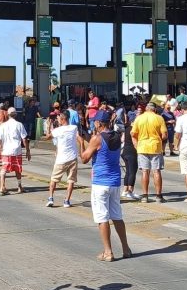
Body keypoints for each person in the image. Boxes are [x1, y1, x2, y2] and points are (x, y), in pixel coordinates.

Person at [79, 110, 132, 263]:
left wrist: (82, 142)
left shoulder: (96, 139)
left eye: (94, 121)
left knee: (102, 217)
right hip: (115, 182)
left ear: (98, 123)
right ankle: (126, 248)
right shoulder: (116, 136)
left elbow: (84, 159)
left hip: (100, 182)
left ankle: (108, 252)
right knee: (117, 216)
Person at [131, 102, 167, 203]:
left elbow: (133, 133)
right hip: (155, 146)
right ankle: (159, 196)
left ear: (146, 109)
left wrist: (136, 144)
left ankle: (145, 196)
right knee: (156, 171)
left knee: (145, 171)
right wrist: (160, 140)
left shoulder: (139, 118)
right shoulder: (159, 118)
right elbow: (164, 135)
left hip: (142, 147)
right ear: (154, 109)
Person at [43, 111, 79, 207]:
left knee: (54, 179)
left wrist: (48, 126)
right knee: (71, 180)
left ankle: (51, 198)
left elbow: (47, 137)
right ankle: (67, 201)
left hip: (61, 159)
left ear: (63, 119)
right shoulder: (74, 128)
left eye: (59, 118)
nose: (57, 119)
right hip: (72, 157)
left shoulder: (57, 130)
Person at [0, 106, 30, 195]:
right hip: (16, 150)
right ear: (16, 115)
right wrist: (27, 151)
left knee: (4, 169)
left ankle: (2, 186)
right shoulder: (19, 124)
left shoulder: (3, 125)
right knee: (18, 168)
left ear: (8, 115)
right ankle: (19, 186)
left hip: (6, 151)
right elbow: (24, 139)